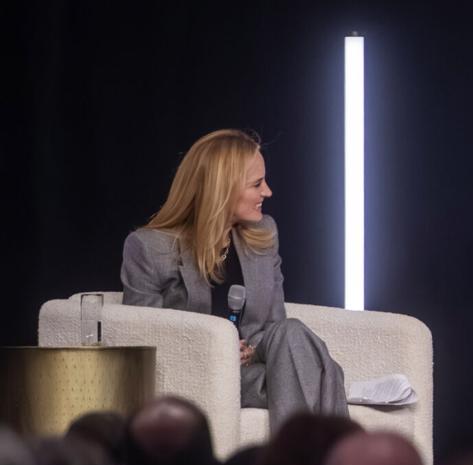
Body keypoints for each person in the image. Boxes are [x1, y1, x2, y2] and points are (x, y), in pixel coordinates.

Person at [121, 129, 348, 430]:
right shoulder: (149, 248)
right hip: (201, 374)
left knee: (292, 334)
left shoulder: (264, 234)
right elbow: (142, 343)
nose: (268, 192)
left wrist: (251, 351)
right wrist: (217, 348)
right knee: (322, 373)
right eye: (257, 184)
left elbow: (274, 328)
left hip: (255, 371)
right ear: (223, 189)